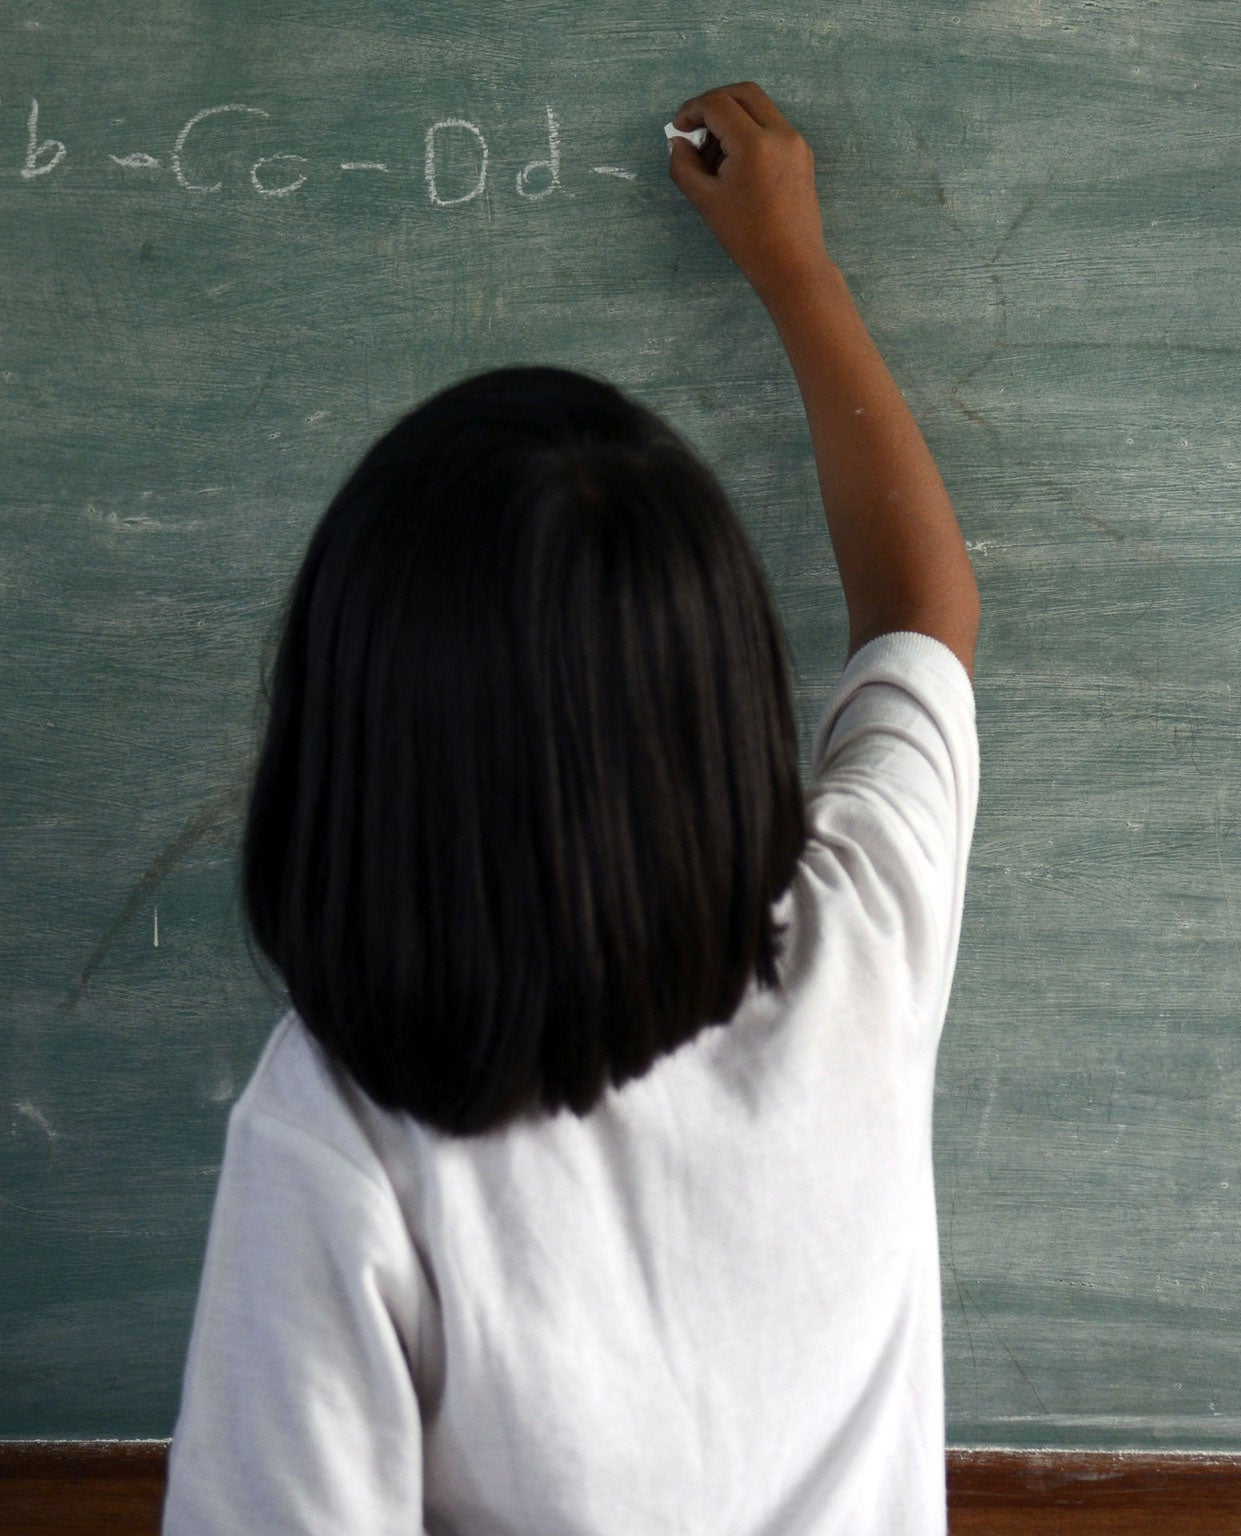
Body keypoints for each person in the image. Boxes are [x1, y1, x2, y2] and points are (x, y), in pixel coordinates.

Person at [162, 81, 981, 1534]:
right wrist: (794, 265)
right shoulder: (858, 938)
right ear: (731, 708)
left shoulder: (347, 1123)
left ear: (352, 752)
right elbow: (920, 614)